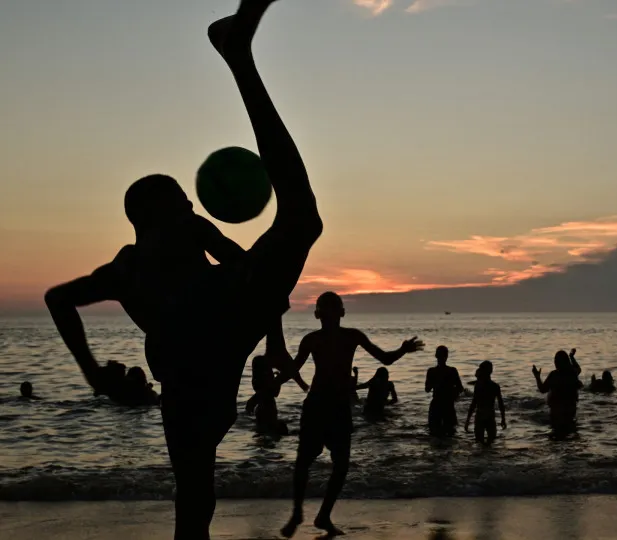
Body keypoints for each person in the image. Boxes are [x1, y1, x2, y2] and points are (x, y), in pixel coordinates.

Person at [43, 2, 324, 537]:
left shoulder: (182, 242)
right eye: (181, 206)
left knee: (302, 218)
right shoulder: (127, 269)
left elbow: (253, 276)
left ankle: (239, 58)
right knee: (195, 497)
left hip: (224, 317)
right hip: (191, 373)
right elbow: (58, 299)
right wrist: (92, 372)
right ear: (153, 220)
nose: (192, 211)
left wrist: (274, 338)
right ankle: (237, 54)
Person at [277, 292, 423, 537]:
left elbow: (385, 359)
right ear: (319, 314)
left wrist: (402, 350)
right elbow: (293, 369)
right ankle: (301, 513)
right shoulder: (314, 339)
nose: (329, 315)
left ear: (339, 313)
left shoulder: (348, 336)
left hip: (335, 407)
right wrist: (270, 387)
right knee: (309, 462)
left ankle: (318, 515)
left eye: (332, 310)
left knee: (335, 465)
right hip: (319, 405)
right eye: (326, 310)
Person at [532, 350, 583, 435]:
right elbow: (578, 368)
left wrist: (537, 377)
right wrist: (572, 357)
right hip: (570, 412)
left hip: (556, 413)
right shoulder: (572, 373)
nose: (555, 362)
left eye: (556, 360)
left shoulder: (554, 375)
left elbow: (542, 389)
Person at [425, 346, 464, 436]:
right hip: (443, 404)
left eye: (441, 356)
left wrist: (453, 393)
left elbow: (427, 389)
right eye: (440, 356)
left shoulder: (434, 371)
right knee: (448, 432)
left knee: (437, 432)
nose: (441, 358)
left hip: (444, 404)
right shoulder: (449, 371)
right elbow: (427, 389)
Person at [465, 361, 506, 445]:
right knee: (490, 442)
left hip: (482, 415)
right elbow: (500, 404)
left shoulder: (479, 385)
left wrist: (468, 420)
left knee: (481, 442)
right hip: (488, 415)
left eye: (481, 369)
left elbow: (474, 403)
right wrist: (503, 419)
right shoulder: (494, 386)